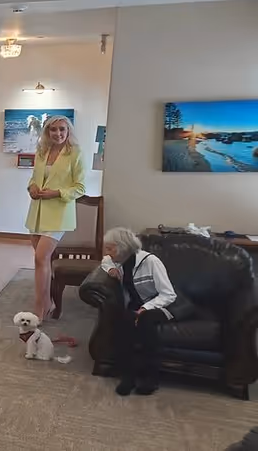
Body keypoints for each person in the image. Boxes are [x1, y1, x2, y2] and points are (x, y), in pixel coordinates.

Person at [100, 227, 177, 396]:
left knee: (146, 321)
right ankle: (128, 376)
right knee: (124, 320)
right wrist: (110, 269)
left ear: (122, 248)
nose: (107, 252)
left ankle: (151, 377)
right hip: (136, 305)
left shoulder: (151, 261)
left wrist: (145, 308)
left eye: (110, 248)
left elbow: (168, 294)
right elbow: (105, 260)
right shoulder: (118, 260)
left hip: (160, 305)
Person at [25, 115, 85, 321]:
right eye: (53, 130)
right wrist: (31, 187)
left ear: (68, 131)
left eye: (62, 129)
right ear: (47, 132)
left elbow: (80, 187)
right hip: (37, 211)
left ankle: (39, 306)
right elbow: (34, 178)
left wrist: (57, 193)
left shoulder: (75, 153)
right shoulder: (42, 151)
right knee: (43, 262)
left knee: (40, 258)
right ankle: (48, 301)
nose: (58, 133)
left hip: (59, 213)